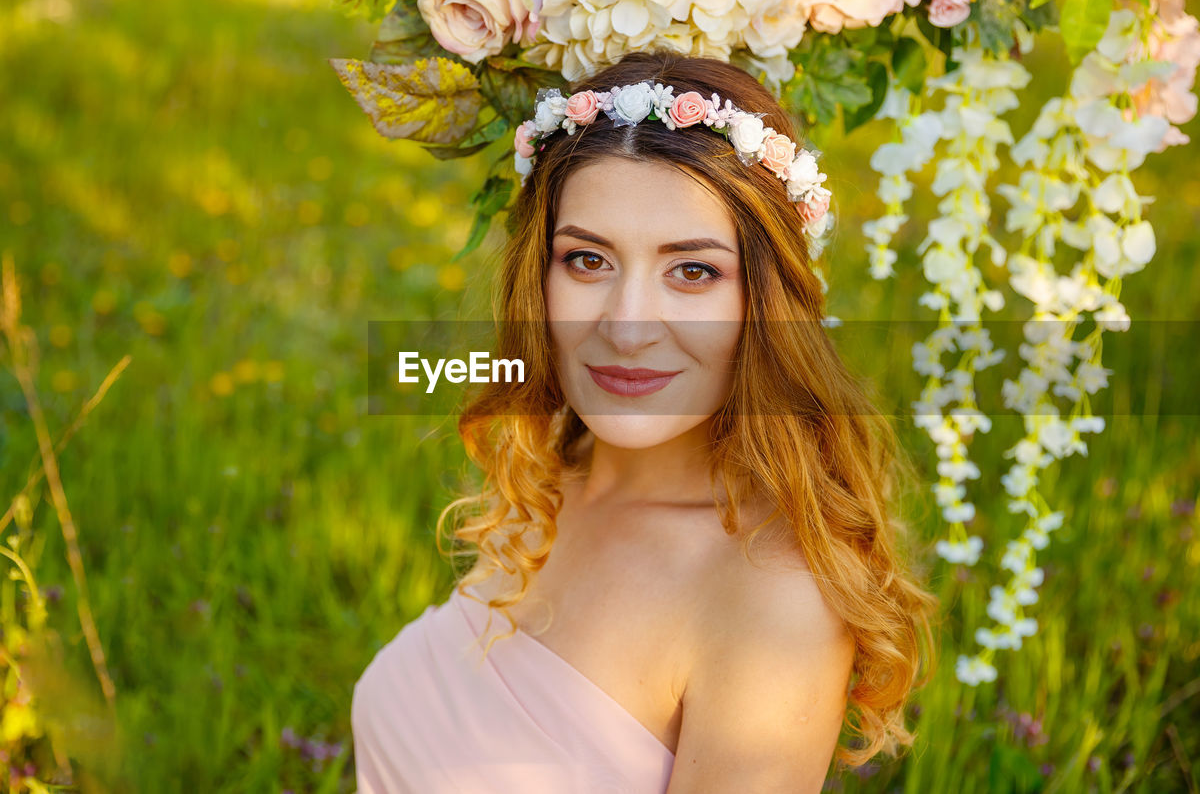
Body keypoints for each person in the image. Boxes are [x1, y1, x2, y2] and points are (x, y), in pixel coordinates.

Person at [350, 49, 940, 793]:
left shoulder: (768, 598)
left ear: (763, 305)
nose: (628, 327)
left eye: (692, 271)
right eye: (588, 261)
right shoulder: (553, 477)